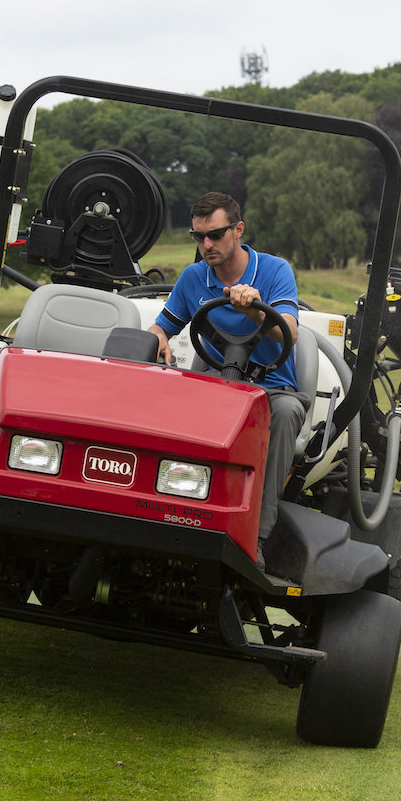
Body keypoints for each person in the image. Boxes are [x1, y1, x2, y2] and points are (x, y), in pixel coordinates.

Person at [148, 191, 309, 570]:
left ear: (238, 230)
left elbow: (290, 331)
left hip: (269, 388)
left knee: (285, 413)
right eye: (198, 237)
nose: (207, 245)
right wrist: (157, 337)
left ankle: (257, 537)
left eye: (216, 234)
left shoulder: (273, 271)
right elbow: (163, 325)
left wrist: (254, 310)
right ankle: (165, 514)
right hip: (215, 385)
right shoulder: (193, 278)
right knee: (166, 402)